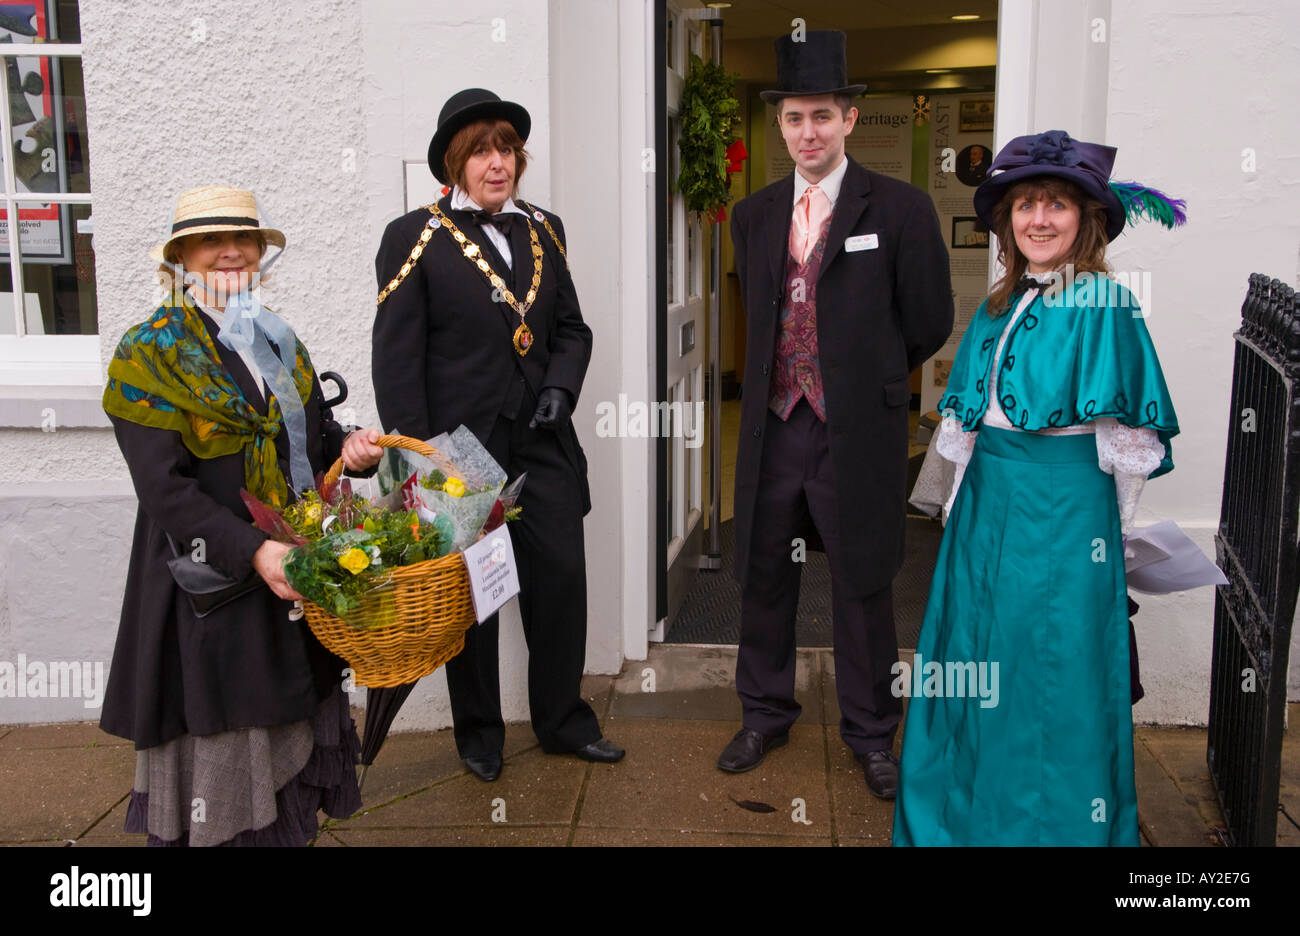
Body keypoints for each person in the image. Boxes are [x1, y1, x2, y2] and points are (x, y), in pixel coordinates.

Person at [892, 130, 1183, 845]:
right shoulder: (997, 305)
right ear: (1007, 222)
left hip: (1062, 516)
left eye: (1056, 205)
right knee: (972, 658)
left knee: (1048, 673)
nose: (1039, 219)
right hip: (985, 510)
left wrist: (1107, 548)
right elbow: (964, 430)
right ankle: (963, 820)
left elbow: (1130, 447)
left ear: (1085, 219)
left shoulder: (1105, 305)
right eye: (1025, 206)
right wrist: (960, 517)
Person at [100, 185, 387, 845]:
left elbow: (313, 443)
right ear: (181, 259)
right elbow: (164, 490)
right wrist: (256, 551)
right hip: (210, 588)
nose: (231, 251)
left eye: (245, 240)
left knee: (291, 741)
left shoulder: (278, 341)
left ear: (260, 255)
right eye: (210, 241)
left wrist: (353, 452)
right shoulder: (151, 354)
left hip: (289, 574)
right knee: (230, 770)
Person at [719, 30, 953, 799]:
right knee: (763, 573)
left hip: (857, 430)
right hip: (777, 425)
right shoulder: (752, 216)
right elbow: (762, 318)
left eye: (822, 115)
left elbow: (928, 320)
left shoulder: (903, 207)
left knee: (862, 581)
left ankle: (870, 731)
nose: (808, 132)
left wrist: (860, 378)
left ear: (850, 118)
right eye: (794, 119)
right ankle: (763, 712)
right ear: (780, 126)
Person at [371, 88, 622, 782]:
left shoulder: (546, 228)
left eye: (506, 148)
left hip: (541, 441)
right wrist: (425, 461)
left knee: (561, 580)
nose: (497, 162)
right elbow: (395, 360)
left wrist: (558, 390)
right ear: (456, 164)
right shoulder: (412, 235)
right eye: (482, 150)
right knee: (471, 600)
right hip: (459, 452)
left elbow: (571, 328)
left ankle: (564, 722)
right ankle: (478, 735)